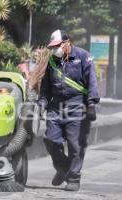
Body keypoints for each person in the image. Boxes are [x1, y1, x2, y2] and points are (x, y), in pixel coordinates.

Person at [38, 30, 100, 191]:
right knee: (50, 140)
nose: (55, 49)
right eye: (53, 47)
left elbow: (92, 81)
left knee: (75, 145)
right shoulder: (52, 62)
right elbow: (45, 88)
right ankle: (64, 168)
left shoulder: (83, 56)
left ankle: (73, 178)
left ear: (67, 43)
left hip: (77, 104)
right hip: (56, 106)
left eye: (57, 46)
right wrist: (41, 104)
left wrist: (92, 104)